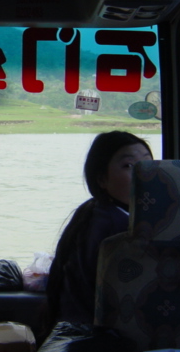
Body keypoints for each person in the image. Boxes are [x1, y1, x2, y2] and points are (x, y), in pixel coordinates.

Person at [45, 131, 153, 329]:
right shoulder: (118, 227)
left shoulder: (94, 211)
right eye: (129, 166)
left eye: (148, 164)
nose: (144, 174)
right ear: (102, 179)